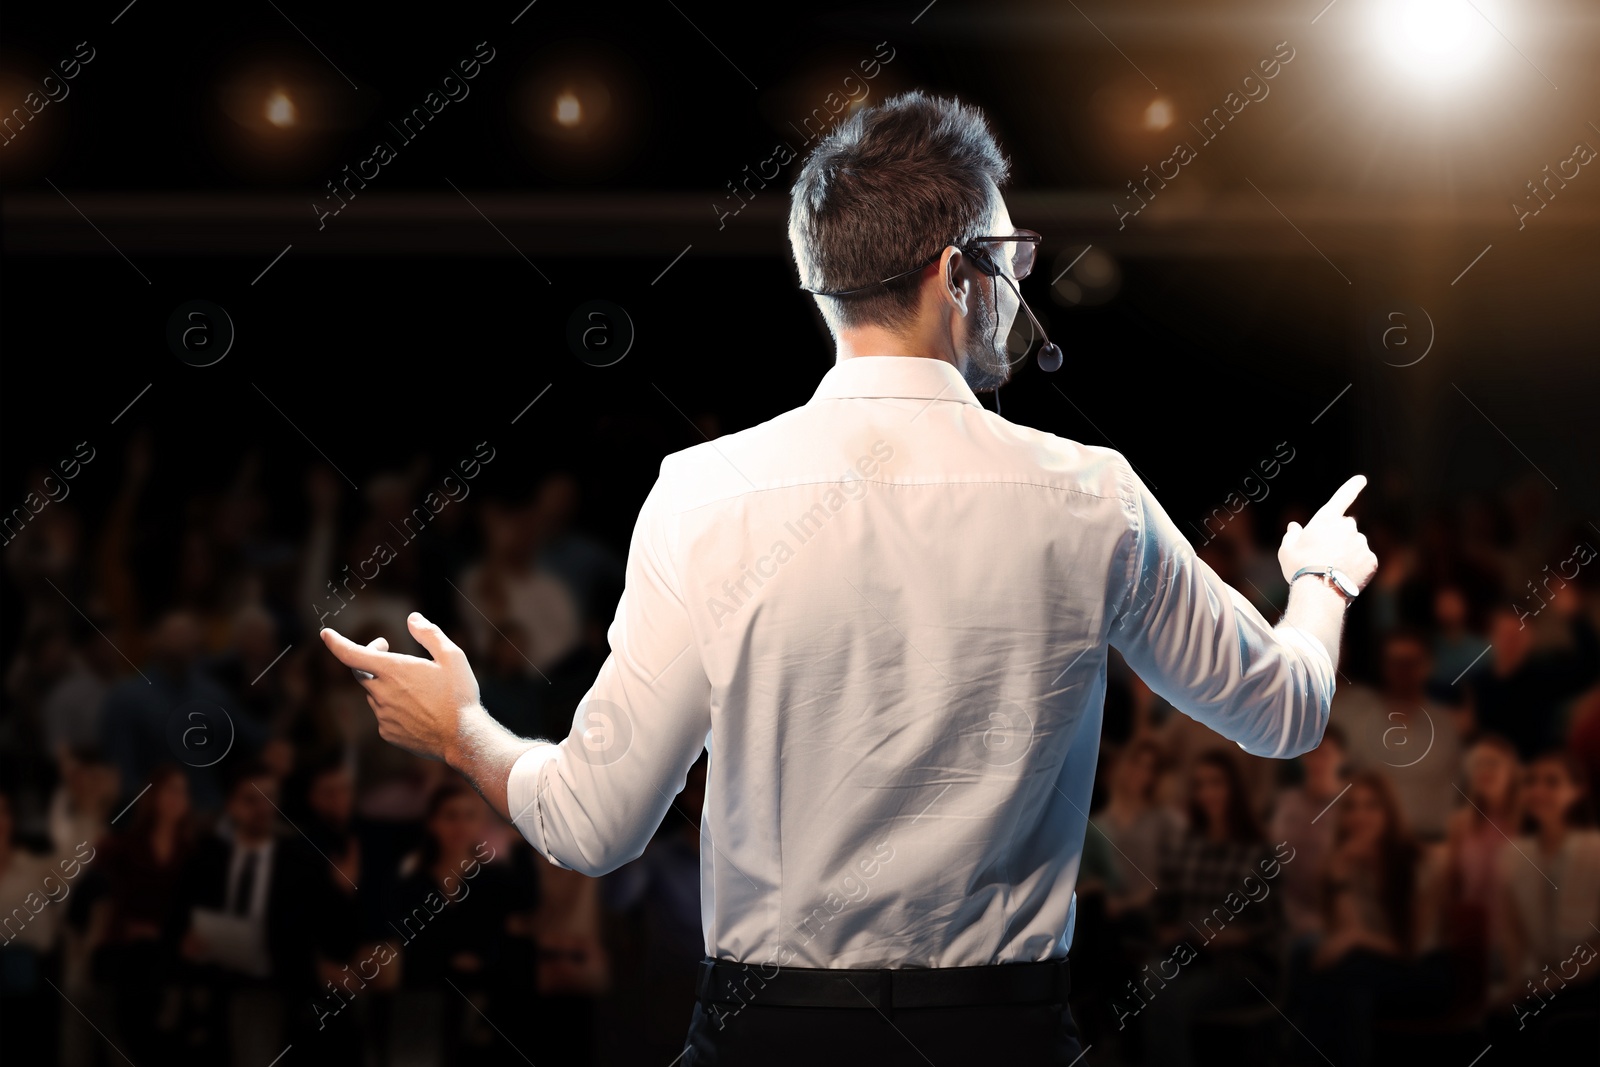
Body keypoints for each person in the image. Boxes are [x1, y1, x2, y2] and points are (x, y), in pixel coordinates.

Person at [318, 90, 1378, 1065]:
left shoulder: (703, 492)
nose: (1014, 289)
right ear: (956, 273)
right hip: (1000, 1036)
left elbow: (593, 826)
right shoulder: (1090, 495)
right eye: (1005, 257)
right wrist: (1322, 576)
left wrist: (464, 727)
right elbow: (1285, 710)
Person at [1292, 770, 1447, 1067]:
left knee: (1344, 973)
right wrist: (1341, 877)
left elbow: (1410, 947)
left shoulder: (1421, 862)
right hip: (1366, 968)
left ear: (1389, 812)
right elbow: (1345, 936)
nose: (1360, 815)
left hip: (1424, 969)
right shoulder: (1342, 861)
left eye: (1372, 805)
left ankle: (1294, 1051)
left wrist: (1355, 938)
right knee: (1322, 966)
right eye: (1351, 806)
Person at [1138, 751, 1283, 1067]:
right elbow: (1164, 907)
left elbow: (1270, 926)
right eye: (1200, 785)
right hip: (1188, 954)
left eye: (1216, 783)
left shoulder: (1258, 850)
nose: (1207, 793)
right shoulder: (1189, 845)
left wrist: (1230, 936)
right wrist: (1167, 929)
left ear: (1233, 789)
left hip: (1240, 967)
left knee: (1170, 996)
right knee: (1152, 974)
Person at [1490, 751, 1600, 1050]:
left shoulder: (1595, 851)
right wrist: (1518, 984)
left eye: (1552, 782)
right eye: (1532, 781)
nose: (1539, 790)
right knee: (1499, 1016)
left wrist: (1544, 986)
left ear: (1577, 791)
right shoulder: (1513, 855)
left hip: (1588, 983)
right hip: (1539, 980)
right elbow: (1513, 934)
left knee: (1538, 1022)